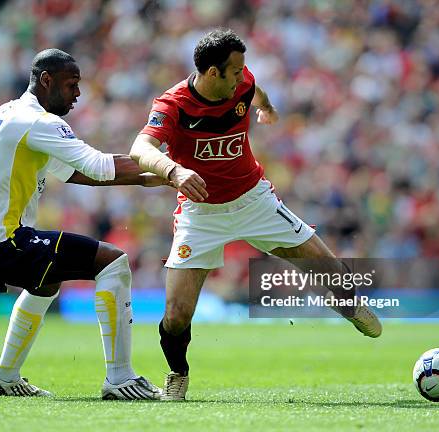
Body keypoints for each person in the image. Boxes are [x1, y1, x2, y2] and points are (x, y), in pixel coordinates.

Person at [129, 29, 382, 401]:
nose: (242, 76)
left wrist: (267, 108)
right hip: (201, 213)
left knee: (329, 268)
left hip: (254, 200)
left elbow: (255, 90)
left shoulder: (242, 83)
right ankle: (178, 373)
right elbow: (140, 146)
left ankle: (347, 304)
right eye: (233, 71)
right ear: (212, 73)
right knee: (177, 313)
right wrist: (174, 171)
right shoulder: (174, 104)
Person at [0, 48, 165, 400]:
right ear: (46, 80)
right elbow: (96, 165)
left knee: (46, 282)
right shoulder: (40, 121)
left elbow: (72, 172)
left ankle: (6, 378)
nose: (78, 93)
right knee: (113, 262)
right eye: (71, 84)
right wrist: (165, 167)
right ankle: (120, 378)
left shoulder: (8, 112)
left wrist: (144, 178)